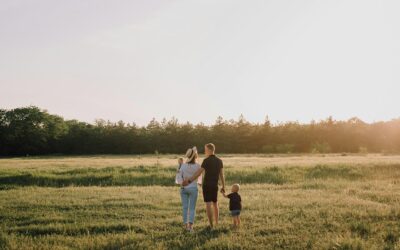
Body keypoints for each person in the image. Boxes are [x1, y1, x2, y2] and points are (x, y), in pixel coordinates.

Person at [182, 143, 225, 228]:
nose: (205, 151)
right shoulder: (219, 161)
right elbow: (221, 175)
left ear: (209, 150)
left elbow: (199, 173)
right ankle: (216, 223)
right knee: (215, 203)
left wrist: (189, 180)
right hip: (214, 185)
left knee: (208, 204)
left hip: (207, 185)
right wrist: (223, 186)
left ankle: (211, 225)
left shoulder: (206, 160)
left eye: (205, 149)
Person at [176, 147, 202, 232]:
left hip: (184, 189)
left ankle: (185, 225)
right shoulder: (198, 166)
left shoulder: (183, 166)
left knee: (185, 207)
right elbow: (199, 178)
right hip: (193, 189)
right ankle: (190, 227)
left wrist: (182, 182)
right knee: (192, 208)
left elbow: (179, 177)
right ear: (195, 156)